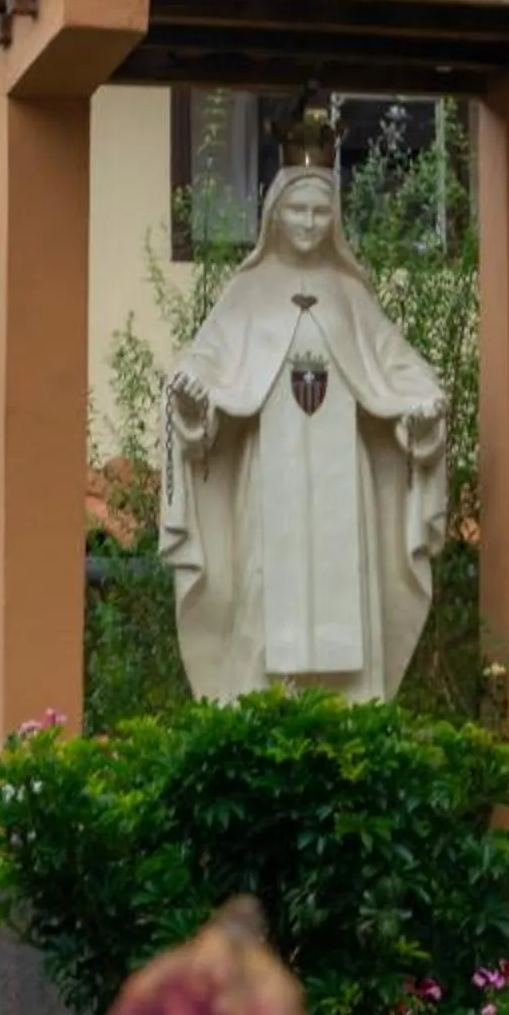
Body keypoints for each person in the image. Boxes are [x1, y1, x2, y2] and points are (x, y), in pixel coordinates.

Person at [160, 136, 448, 704]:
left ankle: (353, 710)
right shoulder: (246, 293)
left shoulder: (350, 295)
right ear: (273, 215)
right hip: (271, 469)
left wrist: (424, 407)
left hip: (346, 479)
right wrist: (193, 394)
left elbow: (399, 365)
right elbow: (204, 362)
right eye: (298, 210)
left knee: (349, 584)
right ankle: (257, 706)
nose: (310, 223)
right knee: (263, 583)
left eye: (322, 212)